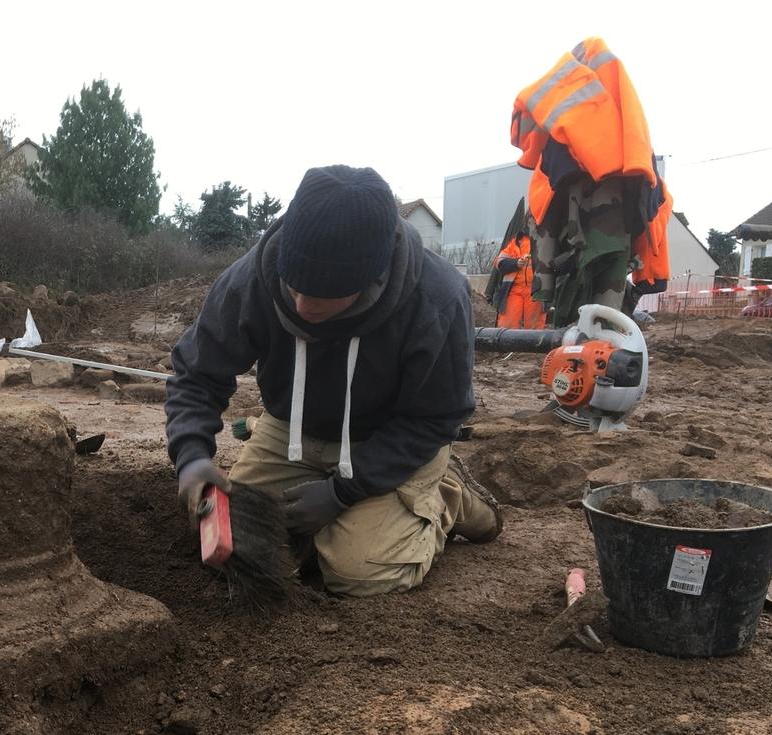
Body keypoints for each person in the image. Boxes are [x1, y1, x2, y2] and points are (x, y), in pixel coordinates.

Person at [165, 165, 502, 598]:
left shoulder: (436, 299)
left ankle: (445, 498)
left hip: (393, 441)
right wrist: (191, 456)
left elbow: (436, 418)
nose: (303, 306)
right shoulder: (254, 277)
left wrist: (343, 493)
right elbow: (196, 372)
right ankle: (369, 518)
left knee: (358, 572)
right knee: (239, 545)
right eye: (295, 286)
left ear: (372, 278)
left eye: (324, 295)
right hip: (293, 431)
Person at [511, 37, 671, 327]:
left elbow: (544, 216)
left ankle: (580, 365)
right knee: (604, 330)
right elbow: (655, 207)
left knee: (577, 334)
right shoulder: (632, 143)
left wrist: (545, 283)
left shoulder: (564, 142)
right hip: (607, 247)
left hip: (583, 250)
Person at [486, 199, 547, 329]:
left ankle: (531, 349)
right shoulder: (517, 241)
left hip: (536, 289)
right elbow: (499, 262)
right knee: (507, 325)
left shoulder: (545, 239)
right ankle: (507, 348)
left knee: (534, 328)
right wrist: (516, 263)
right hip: (513, 290)